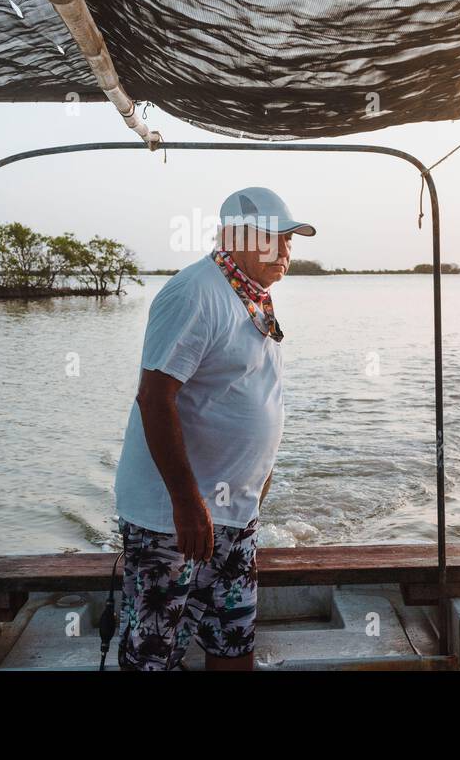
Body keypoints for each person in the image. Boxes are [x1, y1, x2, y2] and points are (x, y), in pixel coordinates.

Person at [113, 186, 315, 670]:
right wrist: (186, 503)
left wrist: (257, 484)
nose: (286, 251)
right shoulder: (194, 292)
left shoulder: (253, 297)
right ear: (235, 236)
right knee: (153, 653)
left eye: (290, 240)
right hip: (174, 520)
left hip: (234, 514)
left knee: (233, 639)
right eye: (274, 239)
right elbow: (154, 398)